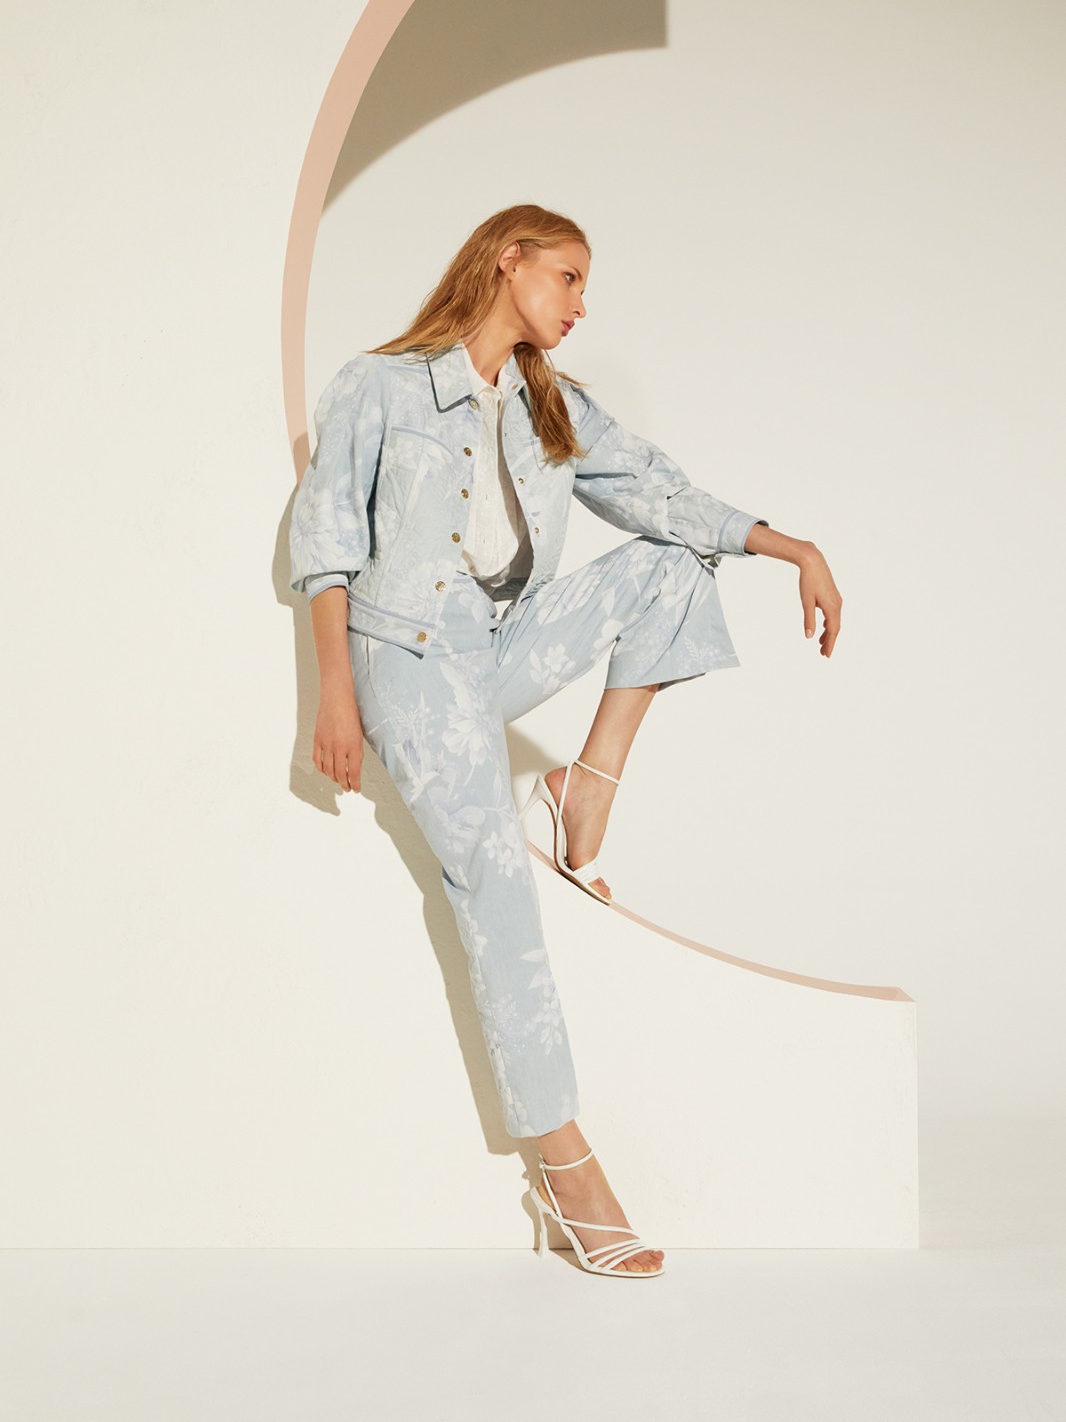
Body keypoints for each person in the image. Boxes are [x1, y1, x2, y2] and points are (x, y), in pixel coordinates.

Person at [289, 202, 842, 1276]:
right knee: (496, 883)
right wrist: (336, 695)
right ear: (510, 261)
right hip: (406, 661)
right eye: (571, 278)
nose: (583, 303)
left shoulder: (554, 402)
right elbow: (326, 543)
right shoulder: (381, 385)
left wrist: (794, 548)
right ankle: (564, 1163)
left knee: (673, 563)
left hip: (493, 646)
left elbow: (664, 497)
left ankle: (587, 787)